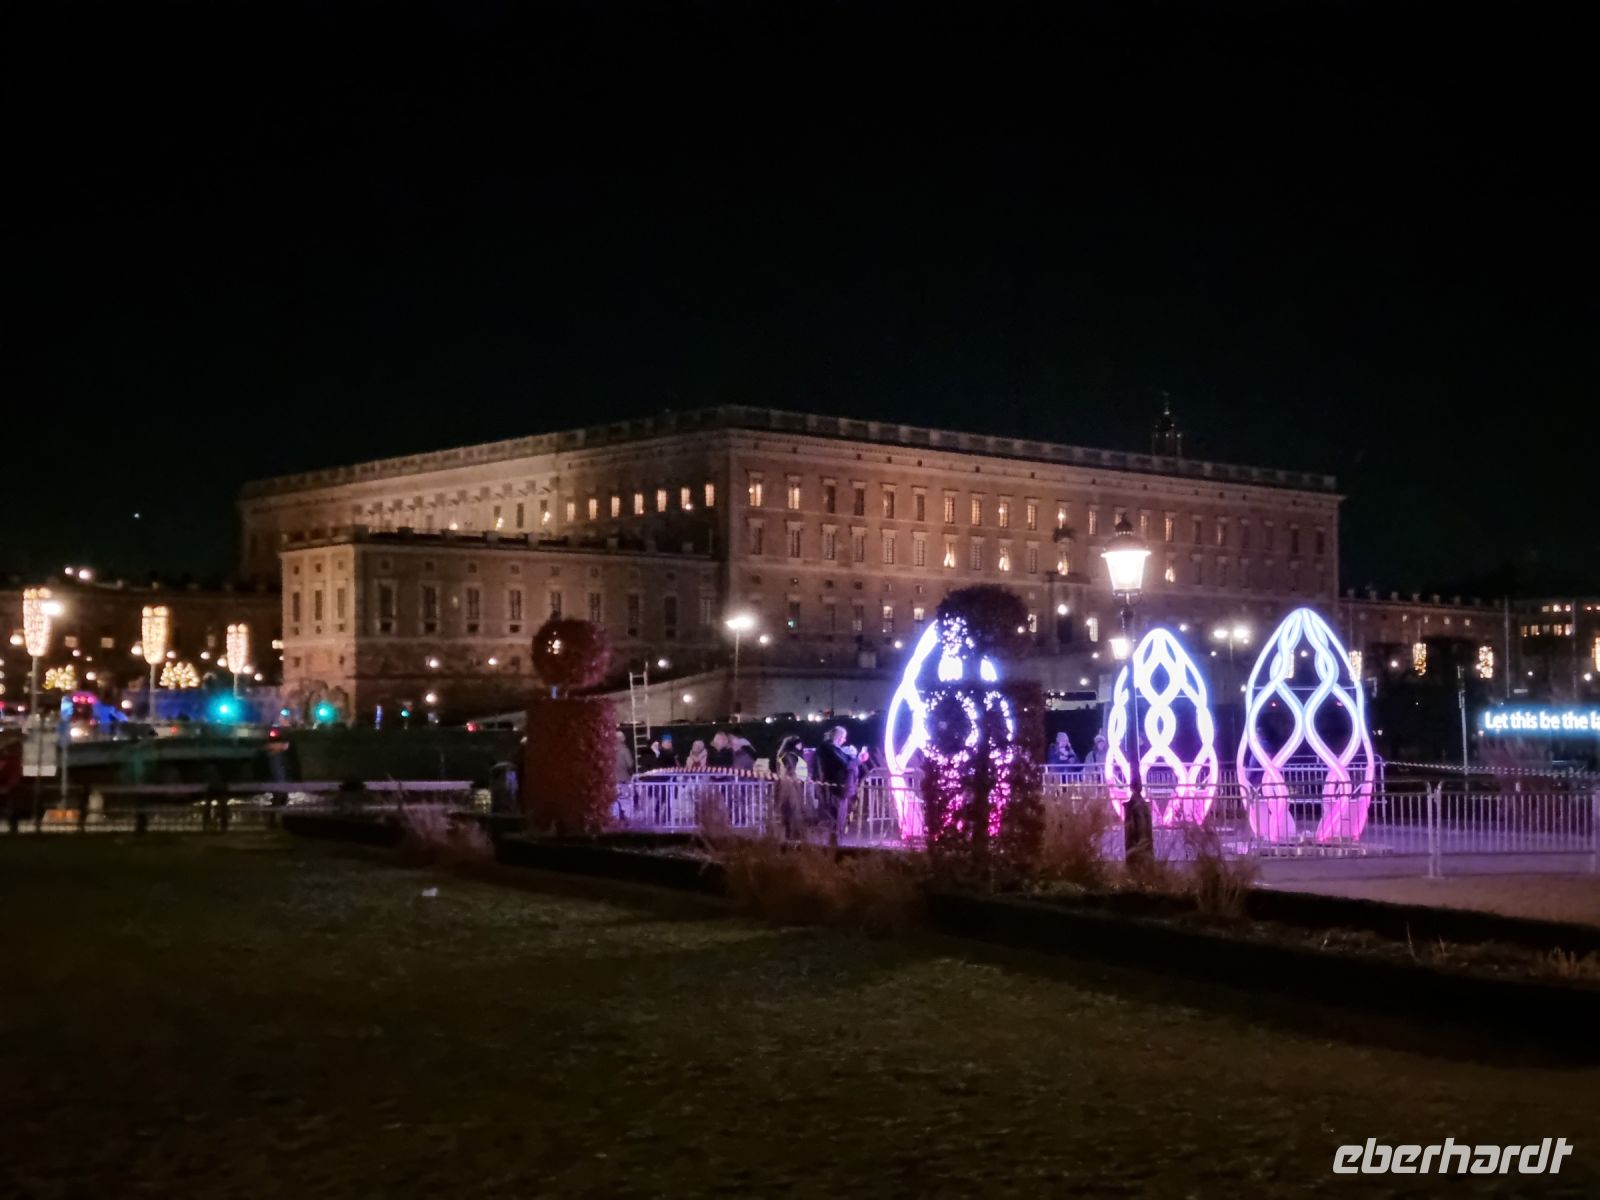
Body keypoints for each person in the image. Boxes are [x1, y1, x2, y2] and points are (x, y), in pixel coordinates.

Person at [815, 726, 861, 842]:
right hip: (836, 789)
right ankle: (834, 846)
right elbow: (846, 765)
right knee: (836, 819)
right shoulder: (829, 748)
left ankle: (837, 844)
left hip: (842, 790)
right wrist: (859, 760)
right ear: (838, 737)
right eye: (843, 737)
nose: (844, 740)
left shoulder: (833, 749)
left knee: (840, 820)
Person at [772, 735, 809, 837]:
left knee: (784, 811)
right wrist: (796, 781)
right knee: (794, 810)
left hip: (781, 784)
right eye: (800, 743)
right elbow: (791, 770)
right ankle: (794, 835)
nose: (801, 746)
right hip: (790, 785)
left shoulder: (780, 754)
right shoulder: (790, 756)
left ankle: (785, 834)